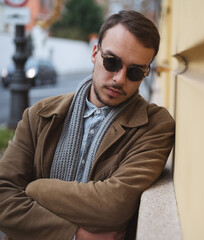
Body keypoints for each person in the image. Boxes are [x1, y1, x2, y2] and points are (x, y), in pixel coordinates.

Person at [0, 10, 175, 240]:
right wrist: (75, 235)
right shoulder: (40, 115)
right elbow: (3, 195)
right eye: (112, 62)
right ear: (95, 53)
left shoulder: (154, 126)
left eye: (134, 72)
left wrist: (34, 189)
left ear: (146, 73)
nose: (119, 79)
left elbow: (114, 206)